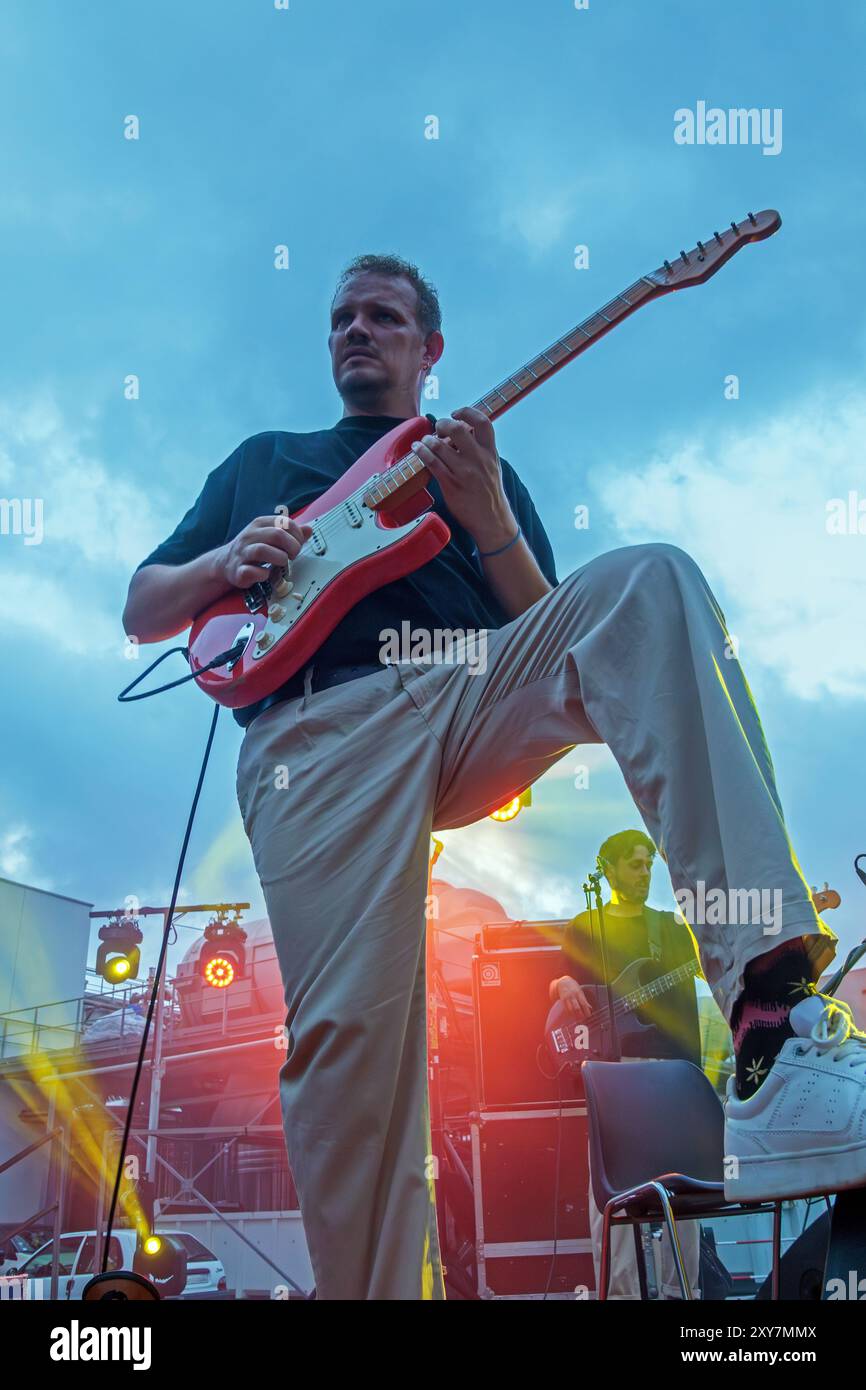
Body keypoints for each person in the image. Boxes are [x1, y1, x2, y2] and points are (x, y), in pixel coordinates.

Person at [123, 252, 859, 1301]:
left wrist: (487, 514)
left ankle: (771, 1027)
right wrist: (227, 561)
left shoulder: (475, 466)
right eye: (340, 316)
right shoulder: (268, 459)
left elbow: (553, 627)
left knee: (644, 586)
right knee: (349, 1048)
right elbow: (143, 606)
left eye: (381, 316)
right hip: (318, 732)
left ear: (429, 349)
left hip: (466, 686)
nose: (354, 330)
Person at [549, 827, 703, 1298]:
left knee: (684, 1182)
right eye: (635, 865)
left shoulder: (670, 928)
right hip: (610, 1075)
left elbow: (713, 958)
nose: (644, 873)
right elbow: (554, 986)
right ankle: (620, 1293)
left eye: (648, 865)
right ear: (609, 868)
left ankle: (681, 1292)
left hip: (668, 1069)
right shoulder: (584, 924)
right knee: (611, 1190)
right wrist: (563, 985)